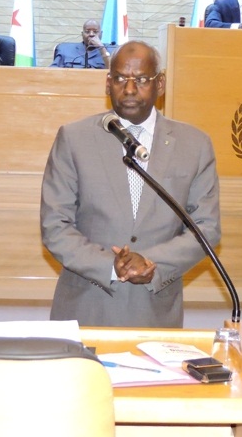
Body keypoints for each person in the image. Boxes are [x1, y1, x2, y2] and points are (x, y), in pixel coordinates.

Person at [40, 40, 221, 328]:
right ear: (107, 83)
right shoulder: (74, 139)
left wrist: (151, 263)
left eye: (142, 79)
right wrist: (110, 266)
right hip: (86, 305)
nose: (130, 89)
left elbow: (206, 228)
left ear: (160, 84)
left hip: (155, 309)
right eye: (120, 78)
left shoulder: (194, 145)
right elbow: (55, 225)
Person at [50, 19, 116, 69]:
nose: (91, 34)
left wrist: (102, 48)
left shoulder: (112, 51)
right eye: (87, 32)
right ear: (82, 34)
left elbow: (114, 73)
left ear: (101, 34)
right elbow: (52, 72)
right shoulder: (65, 50)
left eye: (95, 32)